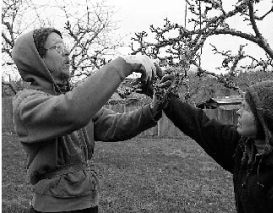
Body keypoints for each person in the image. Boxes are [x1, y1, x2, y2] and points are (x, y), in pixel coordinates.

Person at [11, 27, 168, 213]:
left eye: (65, 47)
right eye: (58, 48)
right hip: (53, 208)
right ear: (37, 59)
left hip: (88, 203)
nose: (67, 52)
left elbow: (114, 125)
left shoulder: (73, 98)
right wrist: (122, 65)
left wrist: (153, 108)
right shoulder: (26, 103)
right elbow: (71, 111)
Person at [158, 79, 273, 213]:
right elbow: (199, 125)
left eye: (245, 108)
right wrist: (163, 94)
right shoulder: (245, 148)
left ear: (266, 119)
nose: (238, 112)